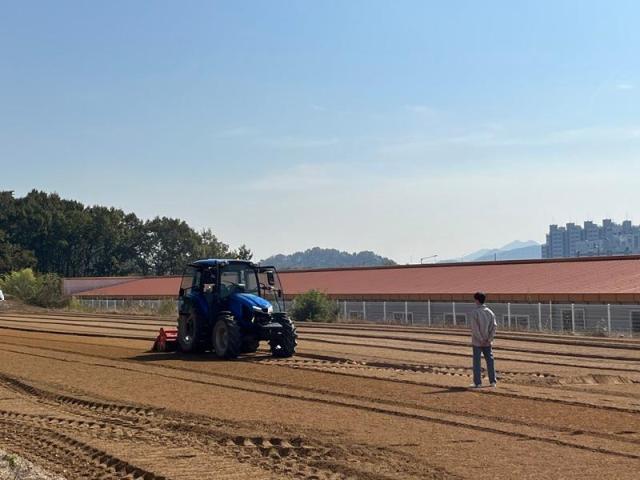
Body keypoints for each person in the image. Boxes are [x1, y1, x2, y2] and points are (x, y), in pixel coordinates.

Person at [469, 291, 497, 388]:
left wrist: (480, 339)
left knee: (477, 361)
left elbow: (475, 328)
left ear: (476, 300)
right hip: (488, 342)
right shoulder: (490, 312)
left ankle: (478, 383)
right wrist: (489, 338)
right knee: (490, 360)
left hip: (477, 342)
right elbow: (494, 327)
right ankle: (492, 381)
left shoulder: (474, 312)